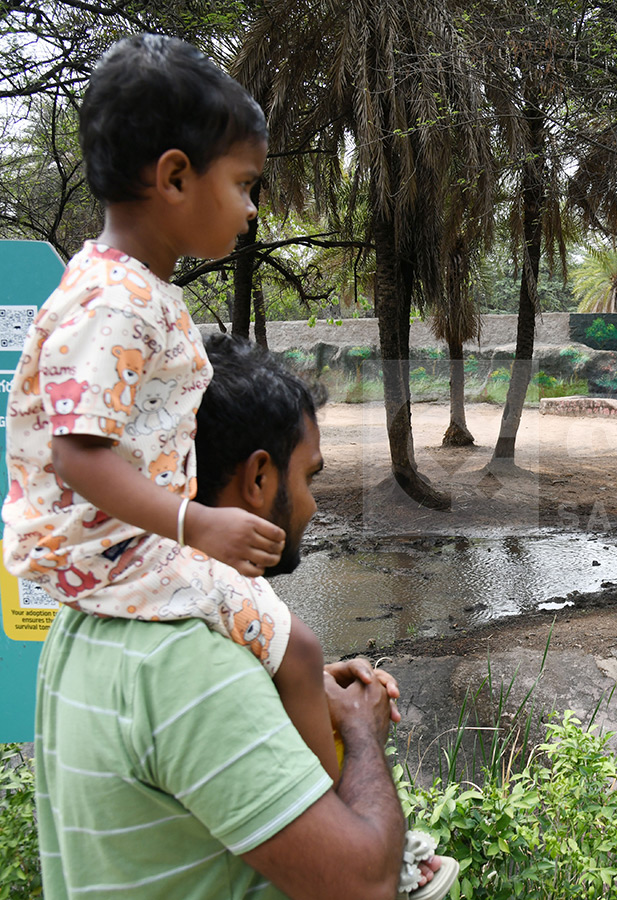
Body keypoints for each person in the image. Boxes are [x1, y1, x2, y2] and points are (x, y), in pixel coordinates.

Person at [1, 33, 338, 780]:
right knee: (303, 650)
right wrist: (196, 524)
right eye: (245, 184)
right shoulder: (114, 302)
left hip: (129, 552)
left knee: (285, 645)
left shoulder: (129, 291)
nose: (251, 210)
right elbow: (76, 453)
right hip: (122, 559)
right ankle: (337, 828)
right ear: (176, 178)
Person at [34, 332, 456, 899]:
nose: (311, 504)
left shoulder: (88, 614)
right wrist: (361, 731)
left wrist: (282, 692)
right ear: (259, 479)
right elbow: (365, 885)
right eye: (309, 477)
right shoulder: (190, 668)